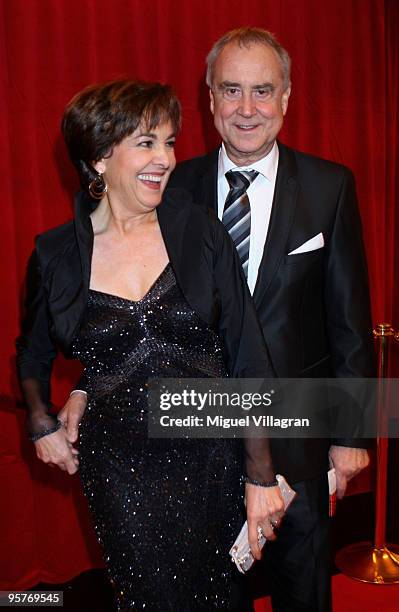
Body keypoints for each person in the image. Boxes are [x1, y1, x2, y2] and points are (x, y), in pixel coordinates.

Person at [16, 79, 286, 611]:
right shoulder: (55, 257)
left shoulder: (200, 231)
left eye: (168, 141)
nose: (165, 157)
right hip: (119, 470)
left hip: (215, 456)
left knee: (221, 597)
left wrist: (260, 477)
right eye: (146, 142)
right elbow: (32, 352)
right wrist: (42, 422)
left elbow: (248, 355)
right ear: (98, 158)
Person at [168, 28, 376, 611]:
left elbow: (350, 320)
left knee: (302, 590)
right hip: (199, 435)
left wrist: (352, 435)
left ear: (286, 98)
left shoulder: (329, 186)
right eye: (231, 90)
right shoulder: (172, 190)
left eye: (263, 91)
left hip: (300, 437)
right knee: (212, 593)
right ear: (209, 99)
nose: (247, 109)